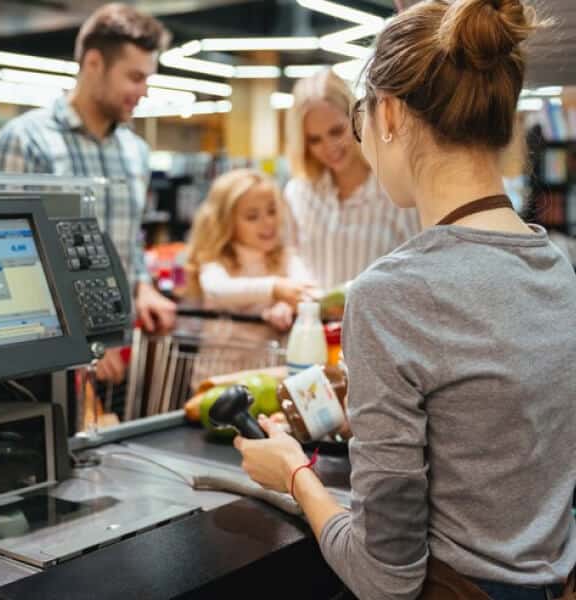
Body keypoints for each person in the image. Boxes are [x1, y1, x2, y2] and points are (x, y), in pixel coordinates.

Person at [235, 1, 576, 599]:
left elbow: (383, 577)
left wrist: (293, 474)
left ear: (388, 113)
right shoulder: (558, 266)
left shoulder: (390, 296)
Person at [0, 3, 177, 383]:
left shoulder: (134, 152)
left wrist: (142, 287)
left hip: (118, 351)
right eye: (135, 77)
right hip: (42, 360)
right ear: (93, 63)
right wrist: (81, 341)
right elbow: (7, 256)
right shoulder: (27, 140)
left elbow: (127, 240)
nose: (144, 91)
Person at [284, 69, 420, 291]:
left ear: (358, 119)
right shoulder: (297, 193)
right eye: (314, 140)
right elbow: (288, 254)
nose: (329, 147)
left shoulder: (397, 191)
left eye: (337, 131)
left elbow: (418, 267)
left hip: (378, 322)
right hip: (312, 323)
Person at [186, 169, 314, 331]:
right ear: (226, 222)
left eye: (272, 211)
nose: (268, 222)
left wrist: (287, 305)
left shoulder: (286, 258)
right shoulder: (215, 259)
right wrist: (274, 288)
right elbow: (217, 289)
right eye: (252, 216)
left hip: (271, 356)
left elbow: (308, 291)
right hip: (218, 356)